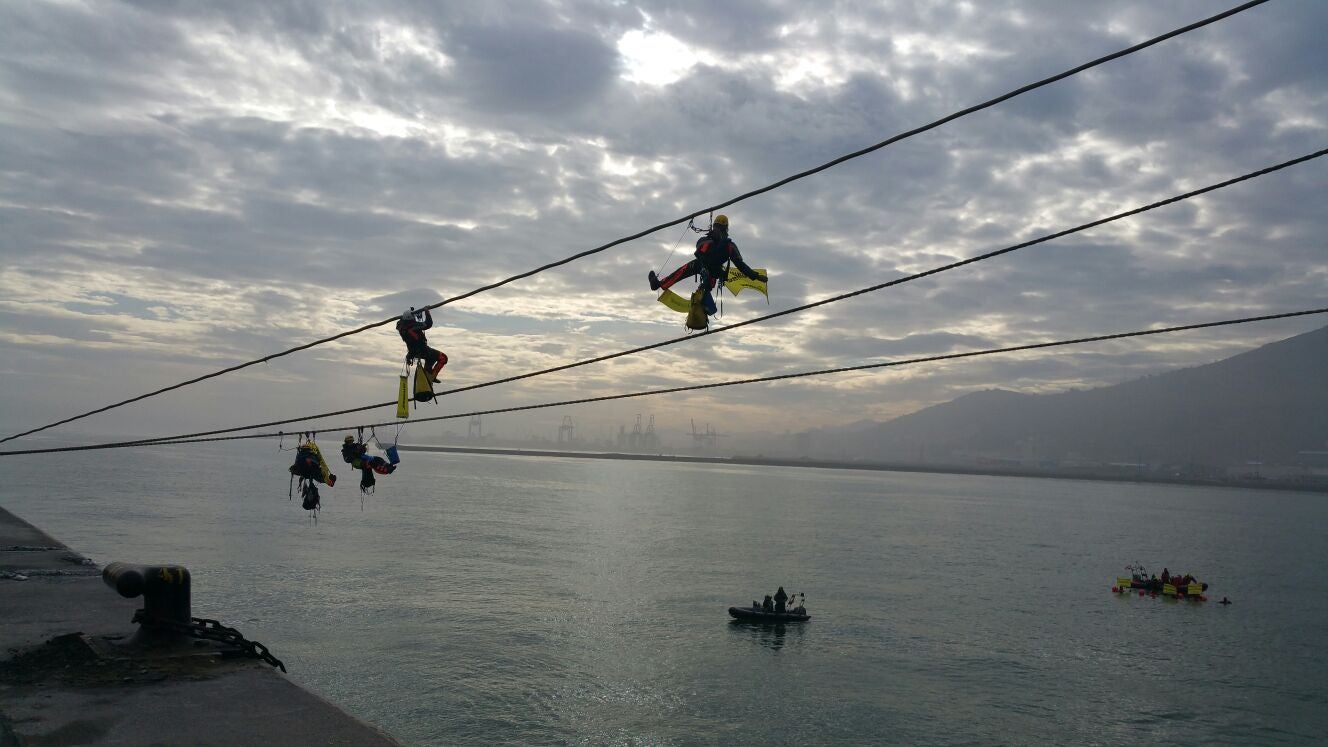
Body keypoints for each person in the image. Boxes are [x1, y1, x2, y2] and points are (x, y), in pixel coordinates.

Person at [648, 215, 766, 304]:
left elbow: (699, 251)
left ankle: (658, 284)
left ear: (717, 227)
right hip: (710, 271)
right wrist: (755, 276)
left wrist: (755, 276)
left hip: (706, 269)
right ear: (726, 228)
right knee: (695, 278)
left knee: (682, 272)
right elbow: (741, 265)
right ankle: (658, 284)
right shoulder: (726, 245)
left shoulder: (725, 245)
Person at [396, 308, 448, 383]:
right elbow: (428, 323)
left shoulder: (401, 327)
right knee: (443, 358)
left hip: (413, 351)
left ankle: (428, 375)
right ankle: (432, 377)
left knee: (431, 359)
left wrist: (410, 314)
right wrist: (427, 312)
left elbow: (401, 321)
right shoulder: (413, 327)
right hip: (422, 350)